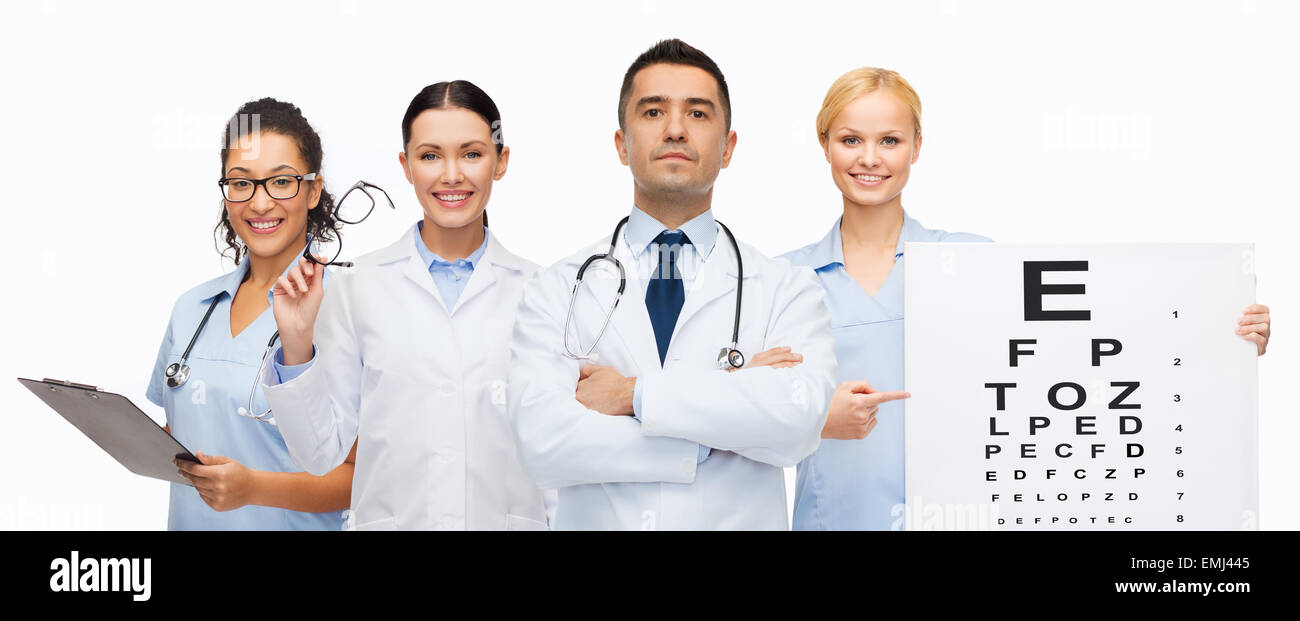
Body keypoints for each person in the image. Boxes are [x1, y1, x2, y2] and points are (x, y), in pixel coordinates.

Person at [780, 67, 1274, 530]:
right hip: (836, 519)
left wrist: (1219, 336)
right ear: (824, 144)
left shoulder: (972, 263)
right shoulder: (785, 280)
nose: (870, 158)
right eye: (851, 140)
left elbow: (1084, 350)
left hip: (967, 513)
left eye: (890, 140)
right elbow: (748, 414)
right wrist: (818, 419)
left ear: (917, 146)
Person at [508, 39, 837, 530]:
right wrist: (725, 408)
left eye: (698, 114)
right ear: (622, 144)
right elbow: (543, 445)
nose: (676, 128)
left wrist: (634, 395)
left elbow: (797, 424)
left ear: (727, 149)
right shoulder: (557, 289)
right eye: (654, 111)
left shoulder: (788, 289)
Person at [262, 81, 553, 530]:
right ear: (406, 165)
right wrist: (296, 344)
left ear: (501, 162)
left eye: (472, 154)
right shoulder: (357, 286)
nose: (451, 175)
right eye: (430, 155)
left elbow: (559, 459)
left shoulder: (543, 292)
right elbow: (320, 453)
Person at [147, 97, 353, 530]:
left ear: (313, 190)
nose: (259, 204)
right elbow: (185, 430)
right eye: (241, 183)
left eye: (281, 182)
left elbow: (360, 475)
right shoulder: (192, 309)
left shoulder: (350, 309)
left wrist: (253, 488)